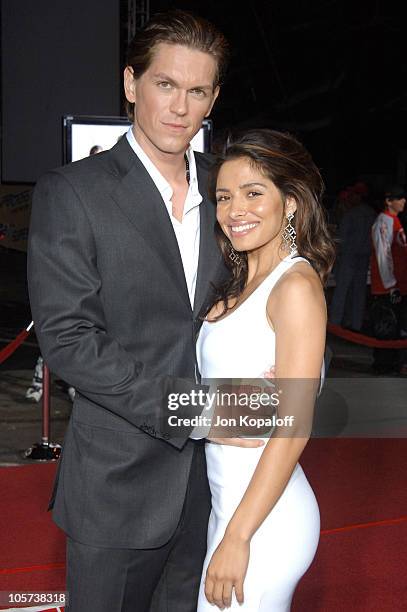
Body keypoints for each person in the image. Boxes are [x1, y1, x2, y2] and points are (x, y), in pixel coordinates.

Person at [28, 10, 260, 612]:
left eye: (198, 91)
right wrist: (196, 411)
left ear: (213, 99)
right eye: (165, 85)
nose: (181, 108)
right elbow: (69, 339)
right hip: (118, 483)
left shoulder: (229, 190)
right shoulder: (73, 191)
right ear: (131, 84)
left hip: (218, 485)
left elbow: (277, 290)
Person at [196, 129, 335, 610]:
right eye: (224, 196)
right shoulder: (238, 282)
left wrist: (237, 538)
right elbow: (240, 403)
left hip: (263, 522)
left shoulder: (294, 284)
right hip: (228, 507)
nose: (236, 210)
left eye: (254, 193)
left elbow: (292, 428)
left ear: (291, 203)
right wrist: (218, 411)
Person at [370, 184, 407, 375]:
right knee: (386, 330)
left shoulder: (396, 221)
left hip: (398, 286)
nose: (403, 201)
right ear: (389, 201)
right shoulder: (384, 222)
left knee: (396, 330)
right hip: (387, 289)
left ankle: (393, 364)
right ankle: (383, 366)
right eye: (399, 198)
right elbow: (383, 256)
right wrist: (391, 285)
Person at [329, 190, 376, 331]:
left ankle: (335, 324)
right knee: (359, 293)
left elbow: (341, 238)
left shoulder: (351, 215)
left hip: (349, 256)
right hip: (364, 256)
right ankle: (356, 324)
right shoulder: (372, 213)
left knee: (342, 291)